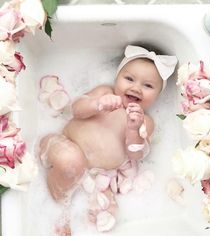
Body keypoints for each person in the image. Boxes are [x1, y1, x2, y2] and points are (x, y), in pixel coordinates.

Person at [39, 44, 177, 213]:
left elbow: (136, 154)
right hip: (62, 145)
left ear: (157, 96)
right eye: (129, 79)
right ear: (117, 78)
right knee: (71, 161)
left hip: (98, 175)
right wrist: (96, 104)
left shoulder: (145, 121)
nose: (136, 88)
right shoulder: (104, 92)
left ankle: (76, 215)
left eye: (148, 86)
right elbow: (75, 110)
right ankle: (59, 207)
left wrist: (134, 130)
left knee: (110, 212)